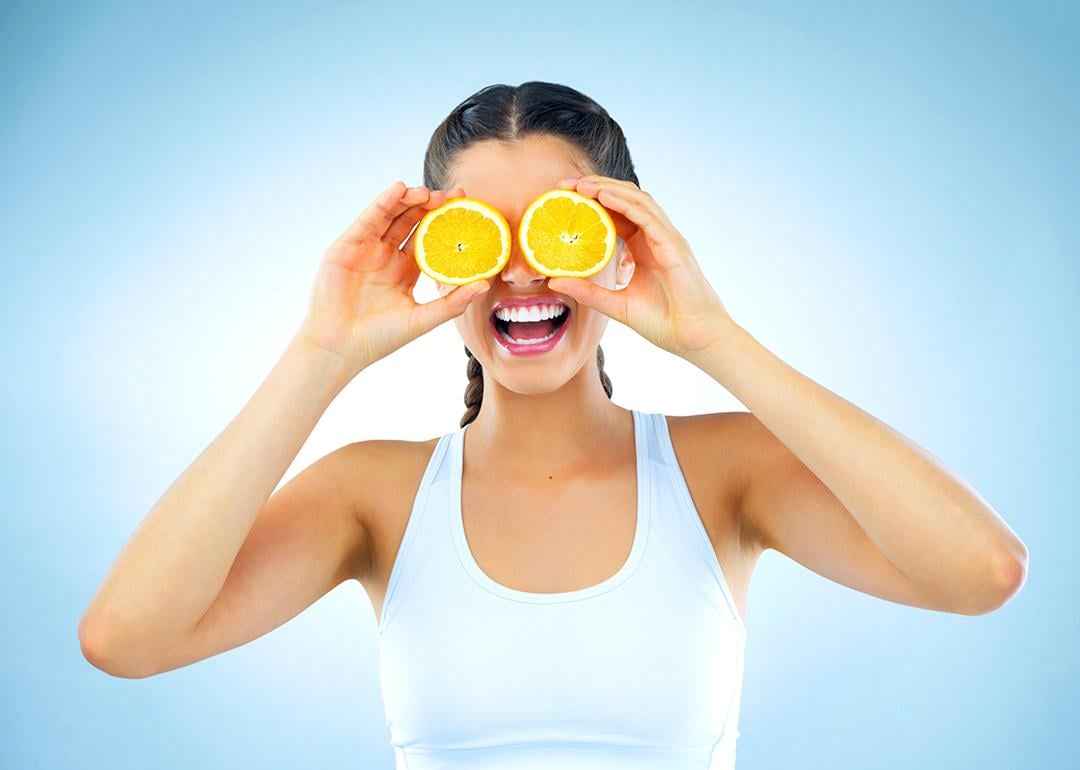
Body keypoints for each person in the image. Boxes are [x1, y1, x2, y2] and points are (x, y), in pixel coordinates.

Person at [77, 81, 1029, 769]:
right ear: (436, 256)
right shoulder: (374, 492)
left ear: (624, 243)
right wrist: (322, 353)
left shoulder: (722, 471)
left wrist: (712, 336)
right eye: (485, 234)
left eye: (559, 232)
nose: (525, 274)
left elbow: (979, 573)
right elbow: (127, 640)